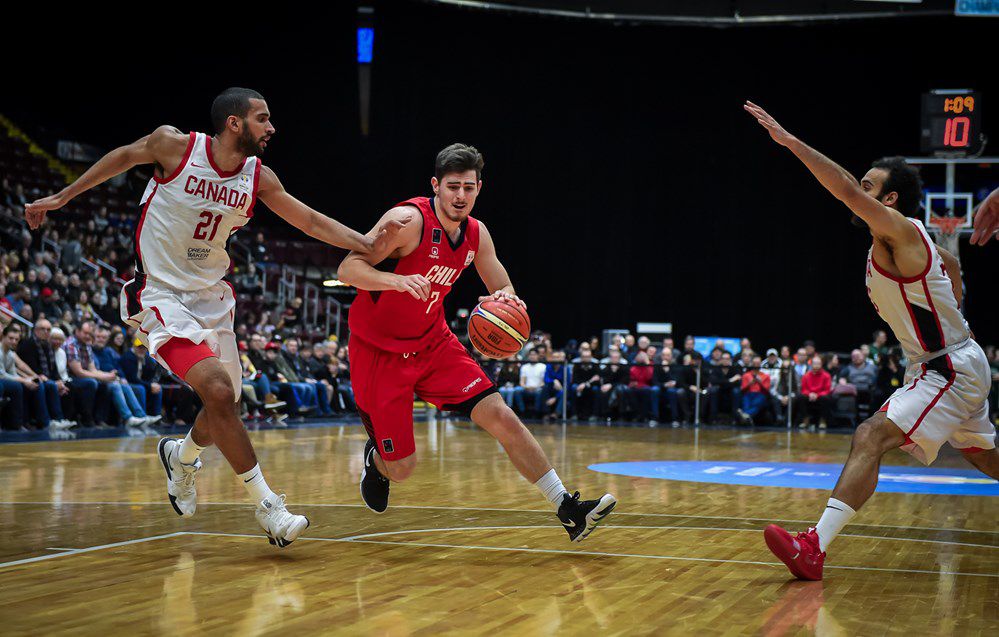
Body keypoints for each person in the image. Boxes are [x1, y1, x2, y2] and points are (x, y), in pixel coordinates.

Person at [25, 87, 408, 547]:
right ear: (234, 122)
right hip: (160, 295)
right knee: (219, 390)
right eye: (263, 119)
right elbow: (123, 156)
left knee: (226, 404)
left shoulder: (257, 178)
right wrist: (63, 197)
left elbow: (308, 220)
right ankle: (269, 508)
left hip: (212, 298)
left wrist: (366, 244)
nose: (271, 128)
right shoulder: (176, 146)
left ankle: (181, 458)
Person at [746, 101, 996, 580]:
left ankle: (813, 547)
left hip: (946, 367)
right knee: (984, 455)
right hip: (952, 359)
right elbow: (956, 268)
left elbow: (839, 186)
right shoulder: (917, 243)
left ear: (890, 201)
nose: (856, 191)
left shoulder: (900, 233)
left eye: (868, 186)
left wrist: (790, 142)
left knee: (870, 435)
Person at [337, 143, 615, 541]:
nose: (460, 196)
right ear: (435, 185)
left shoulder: (475, 234)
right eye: (452, 186)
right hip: (379, 352)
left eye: (469, 187)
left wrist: (504, 301)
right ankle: (377, 461)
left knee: (501, 414)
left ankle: (568, 509)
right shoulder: (405, 221)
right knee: (403, 468)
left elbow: (502, 285)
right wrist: (395, 280)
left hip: (433, 343)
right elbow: (348, 267)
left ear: (479, 188)